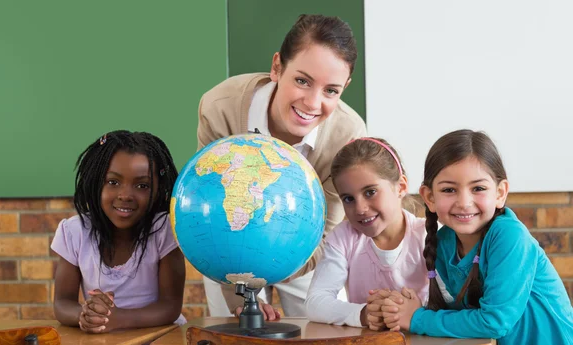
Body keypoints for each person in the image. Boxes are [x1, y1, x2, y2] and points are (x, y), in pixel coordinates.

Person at [197, 14, 367, 318]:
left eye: (331, 90)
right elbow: (209, 211)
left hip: (302, 254)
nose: (313, 104)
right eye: (302, 81)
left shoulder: (348, 135)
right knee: (235, 333)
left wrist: (266, 274)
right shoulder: (220, 107)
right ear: (277, 67)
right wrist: (240, 295)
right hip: (227, 253)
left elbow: (325, 234)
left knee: (317, 333)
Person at [380, 129, 573, 344]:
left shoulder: (509, 236)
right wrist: (407, 308)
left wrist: (417, 318)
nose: (464, 202)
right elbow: (462, 317)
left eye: (478, 188)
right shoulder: (444, 242)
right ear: (429, 197)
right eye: (449, 190)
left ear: (500, 193)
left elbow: (494, 321)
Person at [52, 130, 186, 333]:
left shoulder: (163, 230)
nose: (125, 195)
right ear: (96, 182)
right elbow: (62, 302)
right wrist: (86, 315)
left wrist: (117, 318)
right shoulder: (75, 231)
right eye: (113, 182)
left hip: (159, 336)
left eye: (142, 185)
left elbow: (170, 307)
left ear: (158, 189)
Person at [304, 137, 428, 328]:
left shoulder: (428, 235)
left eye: (370, 192)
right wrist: (363, 313)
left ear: (401, 187)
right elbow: (315, 303)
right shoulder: (343, 238)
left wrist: (416, 312)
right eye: (348, 199)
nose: (360, 208)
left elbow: (454, 302)